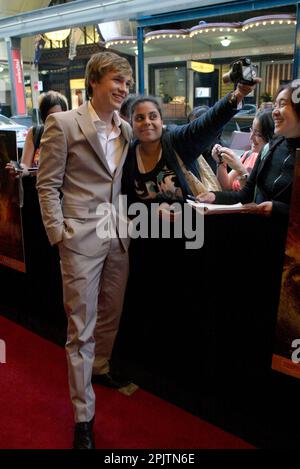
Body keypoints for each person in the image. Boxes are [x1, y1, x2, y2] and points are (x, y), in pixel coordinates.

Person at [36, 51, 133, 449]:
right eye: (116, 81)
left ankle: (102, 367)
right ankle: (83, 417)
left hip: (118, 234)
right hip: (79, 239)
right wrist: (60, 233)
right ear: (94, 81)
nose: (123, 89)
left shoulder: (125, 129)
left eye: (126, 84)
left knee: (110, 312)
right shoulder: (62, 123)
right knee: (81, 328)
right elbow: (47, 185)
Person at [122, 81, 259, 207]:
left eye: (153, 116)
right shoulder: (129, 156)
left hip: (191, 228)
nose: (147, 122)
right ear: (131, 124)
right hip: (151, 230)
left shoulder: (175, 140)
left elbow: (206, 123)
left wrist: (238, 94)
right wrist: (155, 213)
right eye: (139, 118)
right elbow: (128, 203)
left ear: (161, 121)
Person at [197, 81, 299, 218]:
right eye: (275, 105)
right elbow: (246, 195)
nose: (275, 112)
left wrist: (277, 209)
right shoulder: (271, 148)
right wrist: (214, 196)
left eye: (282, 105)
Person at [5, 91, 68, 177]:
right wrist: (18, 169)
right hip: (37, 187)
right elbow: (25, 165)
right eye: (51, 115)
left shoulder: (70, 133)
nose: (56, 119)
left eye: (59, 115)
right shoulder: (35, 133)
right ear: (44, 116)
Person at [212, 109, 274, 191]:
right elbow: (226, 185)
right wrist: (220, 162)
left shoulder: (271, 163)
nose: (251, 137)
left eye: (258, 134)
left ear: (270, 136)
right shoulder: (248, 155)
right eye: (251, 130)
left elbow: (253, 195)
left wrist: (240, 168)